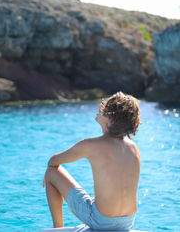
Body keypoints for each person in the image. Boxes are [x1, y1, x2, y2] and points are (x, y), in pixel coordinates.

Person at [43, 91, 141, 231]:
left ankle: (57, 228)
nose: (101, 105)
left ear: (110, 117)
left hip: (100, 220)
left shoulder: (90, 145)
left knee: (51, 172)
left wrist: (49, 177)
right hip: (128, 221)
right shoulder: (133, 147)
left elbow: (53, 161)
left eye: (105, 106)